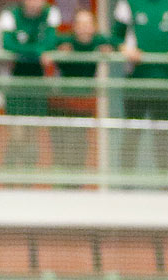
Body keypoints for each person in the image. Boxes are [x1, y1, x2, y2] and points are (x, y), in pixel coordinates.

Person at [111, 0, 168, 175]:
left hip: (164, 81)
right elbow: (116, 39)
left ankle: (165, 181)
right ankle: (126, 182)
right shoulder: (127, 3)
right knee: (132, 131)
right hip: (136, 80)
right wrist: (126, 50)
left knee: (163, 134)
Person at [0, 0, 61, 169]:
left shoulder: (51, 13)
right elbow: (8, 44)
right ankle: (9, 171)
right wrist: (37, 52)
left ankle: (28, 175)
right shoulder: (10, 14)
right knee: (17, 133)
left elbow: (51, 42)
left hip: (38, 82)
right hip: (15, 82)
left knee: (32, 132)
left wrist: (27, 50)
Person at [50, 9, 113, 174]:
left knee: (79, 144)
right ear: (74, 27)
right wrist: (59, 53)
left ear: (94, 27)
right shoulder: (66, 42)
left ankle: (76, 184)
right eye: (80, 23)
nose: (84, 28)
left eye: (88, 24)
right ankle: (62, 182)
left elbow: (114, 41)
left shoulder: (98, 42)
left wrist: (110, 49)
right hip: (62, 103)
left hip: (83, 105)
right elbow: (49, 44)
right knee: (61, 145)